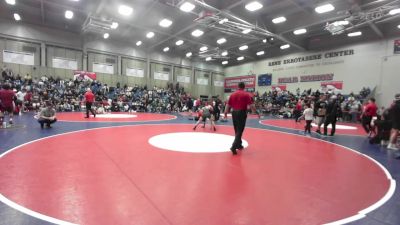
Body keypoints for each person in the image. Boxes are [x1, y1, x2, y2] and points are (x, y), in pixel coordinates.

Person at [224, 82, 256, 155]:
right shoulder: (246, 94)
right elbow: (251, 105)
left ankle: (239, 145)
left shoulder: (232, 94)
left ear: (237, 86)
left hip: (234, 113)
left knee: (236, 129)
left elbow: (228, 105)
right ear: (244, 87)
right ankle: (233, 146)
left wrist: (225, 113)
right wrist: (255, 111)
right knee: (240, 130)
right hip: (241, 112)